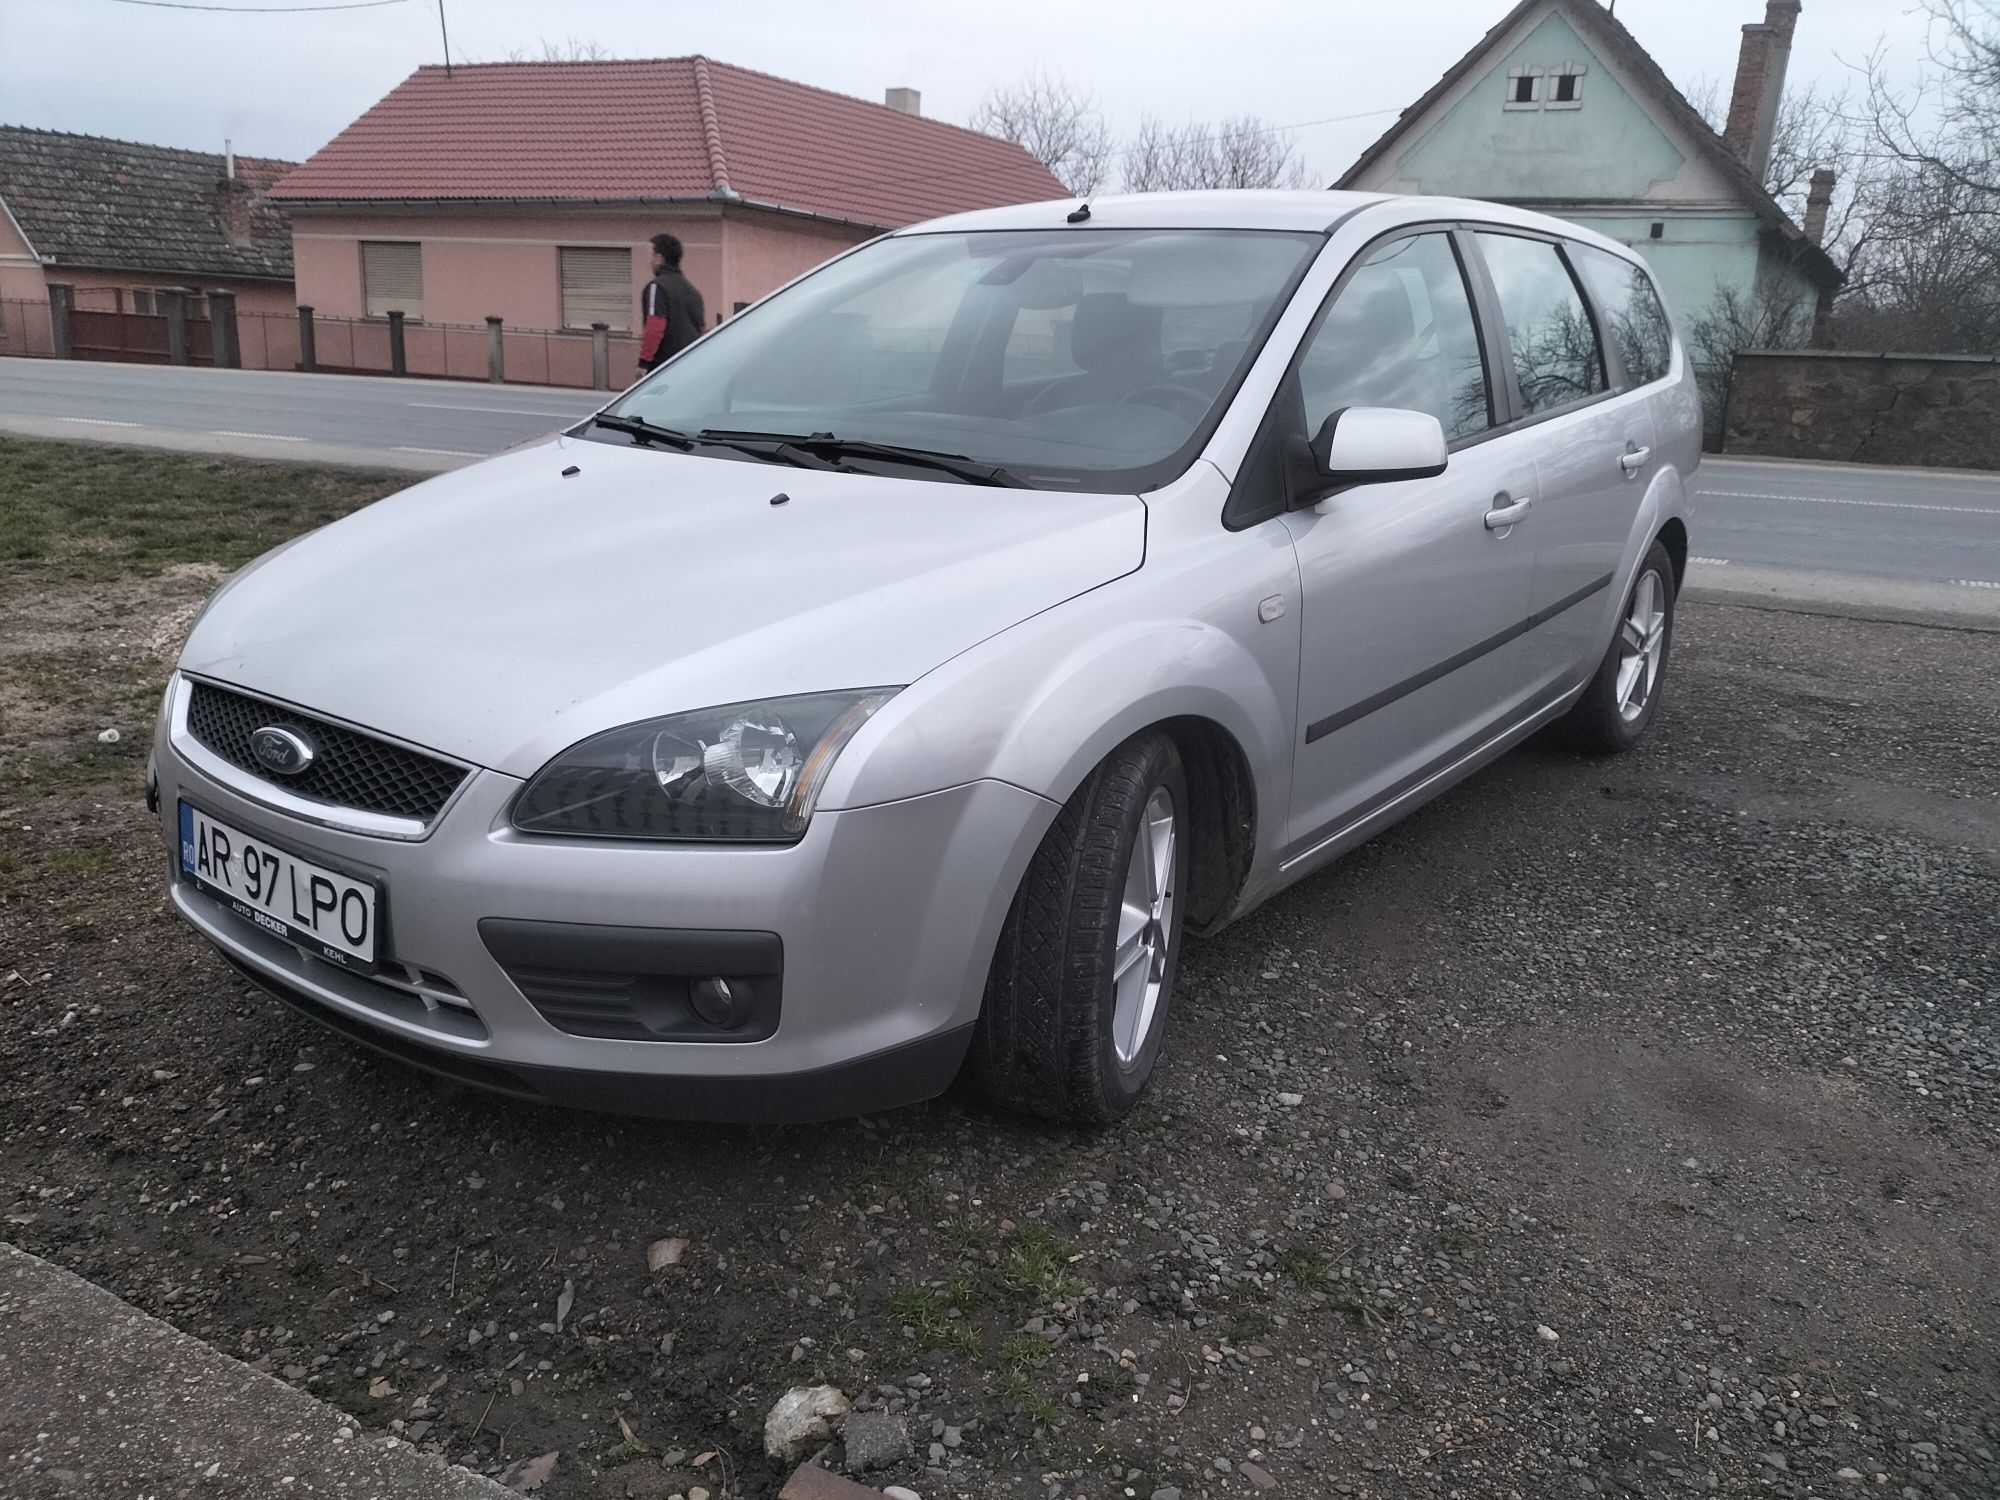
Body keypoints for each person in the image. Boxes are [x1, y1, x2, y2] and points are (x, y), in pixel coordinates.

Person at [637, 232, 705, 374]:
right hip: (690, 366)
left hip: (663, 369)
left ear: (658, 259)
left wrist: (644, 363)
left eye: (650, 256)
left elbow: (655, 326)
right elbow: (701, 330)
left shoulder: (657, 287)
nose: (647, 262)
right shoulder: (693, 292)